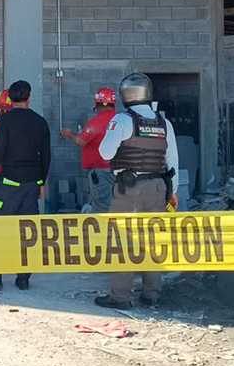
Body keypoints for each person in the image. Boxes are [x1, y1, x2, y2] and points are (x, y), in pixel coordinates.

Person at [95, 73, 179, 310]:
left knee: (123, 241)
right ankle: (151, 295)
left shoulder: (122, 121)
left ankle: (120, 297)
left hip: (128, 188)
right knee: (153, 241)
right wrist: (173, 192)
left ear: (125, 95)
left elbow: (105, 153)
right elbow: (172, 160)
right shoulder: (164, 123)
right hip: (158, 187)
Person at [0, 80, 50, 291]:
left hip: (8, 185)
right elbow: (46, 156)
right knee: (27, 231)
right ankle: (23, 278)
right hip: (32, 185)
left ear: (10, 100)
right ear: (30, 98)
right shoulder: (40, 122)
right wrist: (42, 183)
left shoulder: (5, 122)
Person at [60, 87, 117, 214]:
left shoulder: (97, 122)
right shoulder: (121, 120)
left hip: (102, 172)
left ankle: (104, 233)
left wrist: (69, 134)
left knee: (102, 207)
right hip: (119, 171)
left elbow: (81, 141)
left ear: (97, 105)